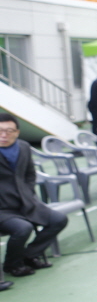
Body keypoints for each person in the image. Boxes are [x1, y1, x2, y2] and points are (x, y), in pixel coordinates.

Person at [0, 113, 67, 281]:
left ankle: (29, 255)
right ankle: (12, 265)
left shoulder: (23, 147)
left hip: (26, 201)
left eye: (9, 131)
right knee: (23, 228)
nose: (4, 135)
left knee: (58, 219)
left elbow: (30, 174)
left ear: (17, 132)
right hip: (3, 209)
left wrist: (28, 192)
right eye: (0, 131)